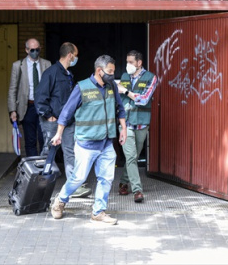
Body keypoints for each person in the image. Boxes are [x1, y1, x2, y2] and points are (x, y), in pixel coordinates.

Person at [50, 55, 127, 225]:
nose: (112, 75)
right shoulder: (82, 87)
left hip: (106, 143)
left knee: (106, 179)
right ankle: (60, 201)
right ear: (99, 71)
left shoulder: (111, 86)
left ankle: (98, 212)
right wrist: (59, 134)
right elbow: (66, 113)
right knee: (78, 178)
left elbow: (120, 109)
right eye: (110, 72)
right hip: (86, 144)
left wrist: (123, 129)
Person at [34, 42, 92, 198]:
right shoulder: (51, 73)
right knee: (48, 152)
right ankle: (40, 185)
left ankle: (74, 186)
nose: (76, 58)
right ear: (70, 55)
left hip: (68, 121)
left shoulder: (68, 74)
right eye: (76, 55)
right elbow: (40, 97)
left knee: (71, 152)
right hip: (52, 122)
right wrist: (48, 116)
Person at [117, 50, 158, 203]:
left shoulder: (151, 78)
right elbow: (120, 99)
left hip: (141, 123)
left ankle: (123, 182)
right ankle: (137, 190)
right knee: (131, 156)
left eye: (131, 62)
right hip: (125, 123)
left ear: (139, 63)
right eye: (127, 62)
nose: (128, 65)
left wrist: (126, 91)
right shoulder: (124, 76)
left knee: (133, 157)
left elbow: (144, 99)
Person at [8, 38, 51, 157]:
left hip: (43, 106)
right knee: (30, 140)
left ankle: (44, 167)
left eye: (37, 49)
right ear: (26, 50)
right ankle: (33, 168)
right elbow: (13, 89)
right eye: (32, 50)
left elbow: (52, 87)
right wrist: (12, 110)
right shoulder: (18, 65)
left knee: (44, 139)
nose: (35, 52)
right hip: (27, 106)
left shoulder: (47, 64)